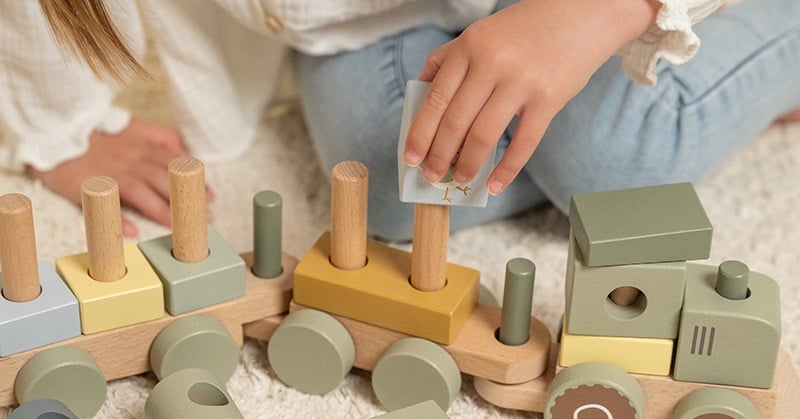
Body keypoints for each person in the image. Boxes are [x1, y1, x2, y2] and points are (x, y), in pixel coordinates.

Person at [2, 1, 798, 241]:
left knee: (615, 164)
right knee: (392, 188)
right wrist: (61, 122)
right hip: (384, 16)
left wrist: (598, 14)